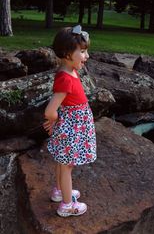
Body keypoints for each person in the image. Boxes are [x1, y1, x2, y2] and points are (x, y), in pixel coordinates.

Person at [43, 25, 97, 217]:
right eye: (82, 52)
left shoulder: (70, 71)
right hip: (71, 127)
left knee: (62, 161)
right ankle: (67, 205)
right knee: (67, 166)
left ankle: (59, 191)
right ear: (67, 54)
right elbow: (50, 110)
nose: (86, 56)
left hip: (73, 123)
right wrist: (54, 121)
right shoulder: (65, 79)